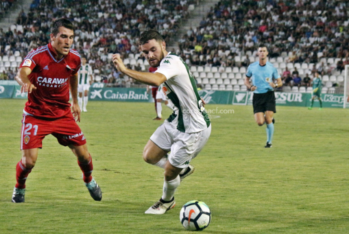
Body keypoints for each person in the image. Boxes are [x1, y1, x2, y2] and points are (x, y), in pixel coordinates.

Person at [112, 30, 211, 215]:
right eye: (145, 52)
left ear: (163, 45)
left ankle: (167, 201)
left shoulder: (170, 62)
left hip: (193, 129)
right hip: (177, 119)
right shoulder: (165, 65)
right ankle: (182, 168)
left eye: (153, 50)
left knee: (169, 173)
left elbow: (157, 81)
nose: (149, 55)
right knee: (149, 155)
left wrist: (124, 70)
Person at [12, 19, 102, 203]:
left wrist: (75, 101)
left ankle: (89, 180)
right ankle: (19, 188)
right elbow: (21, 72)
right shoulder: (37, 55)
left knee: (84, 156)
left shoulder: (75, 58)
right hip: (36, 115)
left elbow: (74, 75)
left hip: (63, 114)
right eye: (63, 37)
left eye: (71, 37)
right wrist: (26, 82)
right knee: (29, 162)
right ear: (52, 37)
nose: (68, 41)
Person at [244, 44, 282, 148]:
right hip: (257, 96)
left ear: (267, 53)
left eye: (264, 51)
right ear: (258, 53)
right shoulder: (252, 67)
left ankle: (269, 142)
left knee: (268, 119)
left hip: (269, 95)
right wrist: (249, 86)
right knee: (260, 122)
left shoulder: (271, 67)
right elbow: (246, 80)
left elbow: (280, 82)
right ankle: (269, 121)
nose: (262, 53)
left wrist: (275, 85)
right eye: (260, 51)